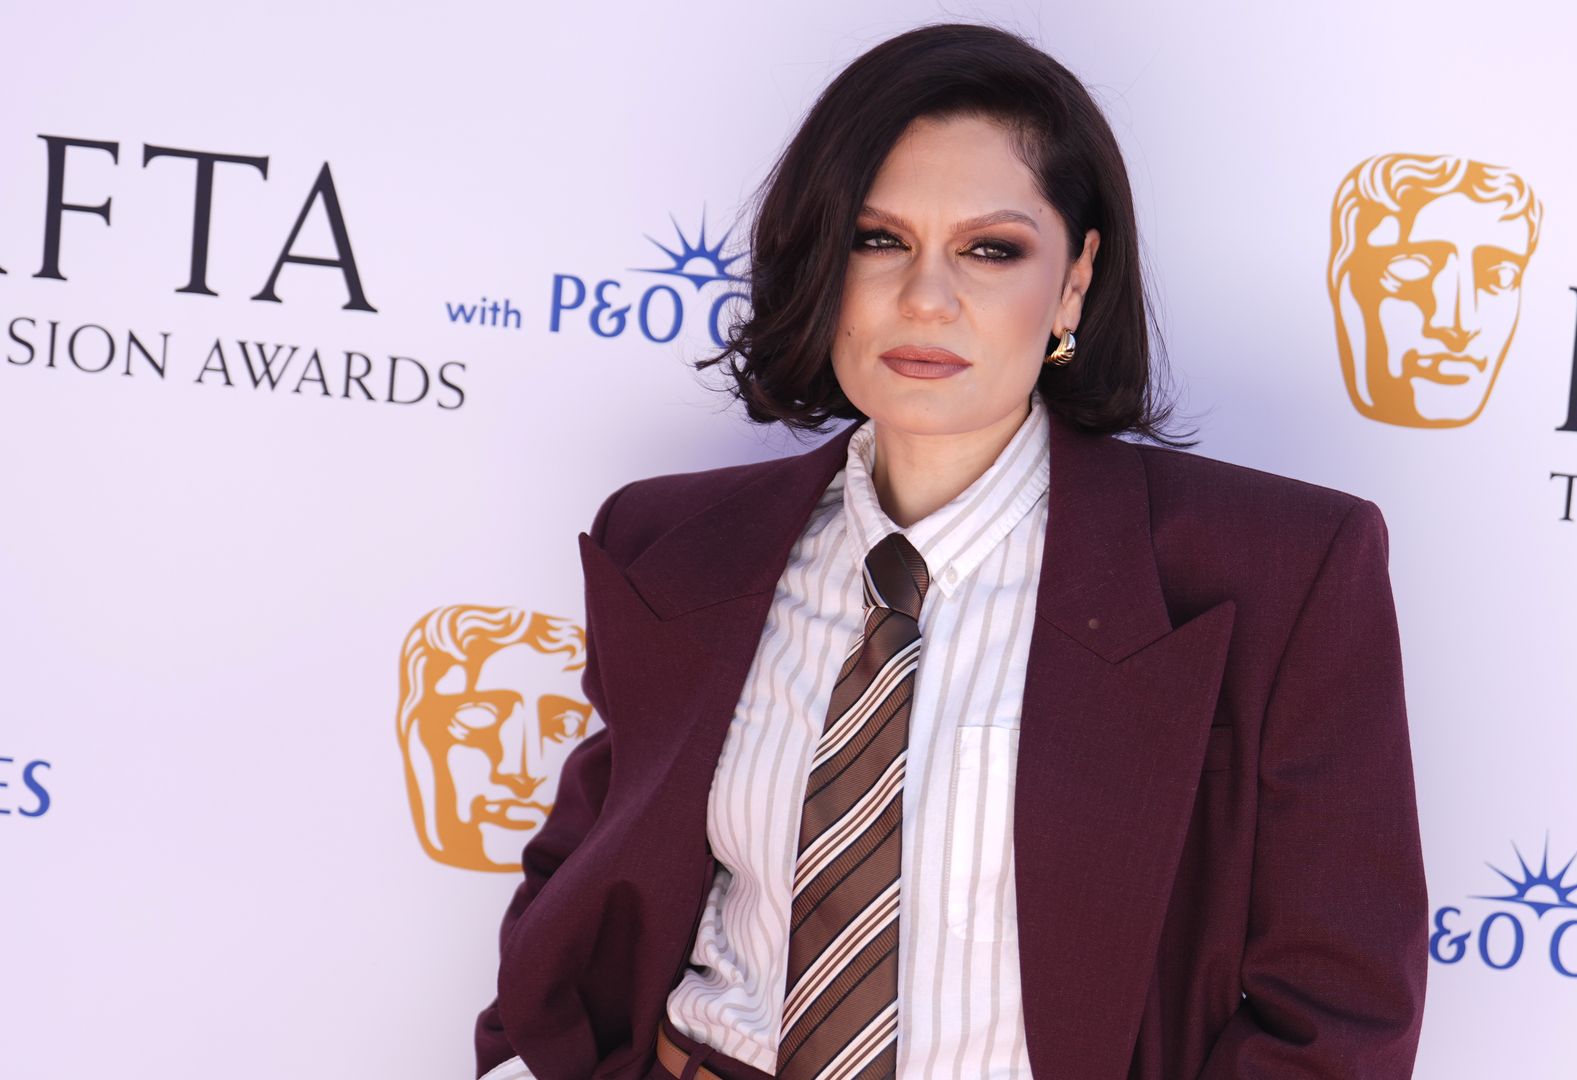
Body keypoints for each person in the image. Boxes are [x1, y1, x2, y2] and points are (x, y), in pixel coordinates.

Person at [475, 20, 1426, 1080]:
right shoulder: (672, 546)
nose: (926, 298)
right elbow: (585, 874)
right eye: (878, 240)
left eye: (991, 249)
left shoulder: (1279, 572)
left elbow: (1338, 1006)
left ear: (1075, 281)